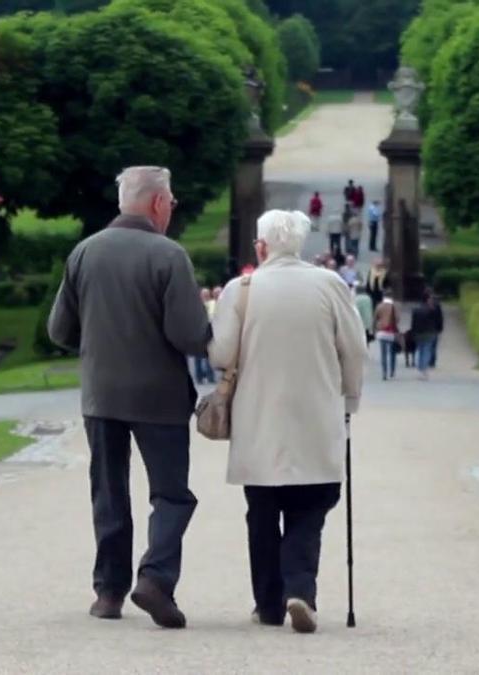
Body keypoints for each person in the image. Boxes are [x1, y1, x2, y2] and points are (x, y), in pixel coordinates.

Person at [48, 166, 208, 630]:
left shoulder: (84, 252)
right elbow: (190, 335)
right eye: (172, 202)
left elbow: (59, 330)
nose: (172, 209)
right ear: (158, 203)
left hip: (101, 396)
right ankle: (155, 579)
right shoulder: (169, 256)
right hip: (160, 398)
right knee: (172, 496)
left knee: (109, 492)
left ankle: (108, 591)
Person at [208, 209, 367, 634]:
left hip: (258, 418)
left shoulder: (240, 290)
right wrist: (350, 399)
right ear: (301, 245)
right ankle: (300, 588)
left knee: (261, 512)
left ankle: (269, 604)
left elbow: (221, 355)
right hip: (316, 415)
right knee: (310, 508)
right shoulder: (330, 285)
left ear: (260, 246)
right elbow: (354, 349)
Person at [410, 294, 438, 380]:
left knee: (420, 350)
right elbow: (436, 322)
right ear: (427, 300)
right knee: (427, 351)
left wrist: (413, 333)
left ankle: (420, 368)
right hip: (429, 333)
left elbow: (413, 323)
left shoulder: (416, 310)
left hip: (418, 333)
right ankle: (424, 369)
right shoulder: (432, 310)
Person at [192, 289, 217, 384]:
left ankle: (210, 376)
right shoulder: (195, 305)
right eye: (204, 294)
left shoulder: (212, 304)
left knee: (208, 356)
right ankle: (199, 377)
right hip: (197, 333)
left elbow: (212, 316)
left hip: (208, 332)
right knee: (197, 357)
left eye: (207, 294)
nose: (205, 296)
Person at [374, 294, 399, 380]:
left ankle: (384, 373)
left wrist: (375, 328)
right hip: (391, 331)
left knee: (383, 354)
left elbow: (375, 318)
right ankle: (392, 371)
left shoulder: (379, 306)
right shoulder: (393, 307)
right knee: (392, 353)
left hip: (381, 331)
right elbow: (397, 319)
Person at [427, 290, 443, 369]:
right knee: (433, 346)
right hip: (435, 328)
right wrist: (440, 328)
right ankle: (432, 361)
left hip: (428, 329)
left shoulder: (427, 306)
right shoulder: (437, 307)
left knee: (429, 345)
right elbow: (440, 319)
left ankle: (429, 360)